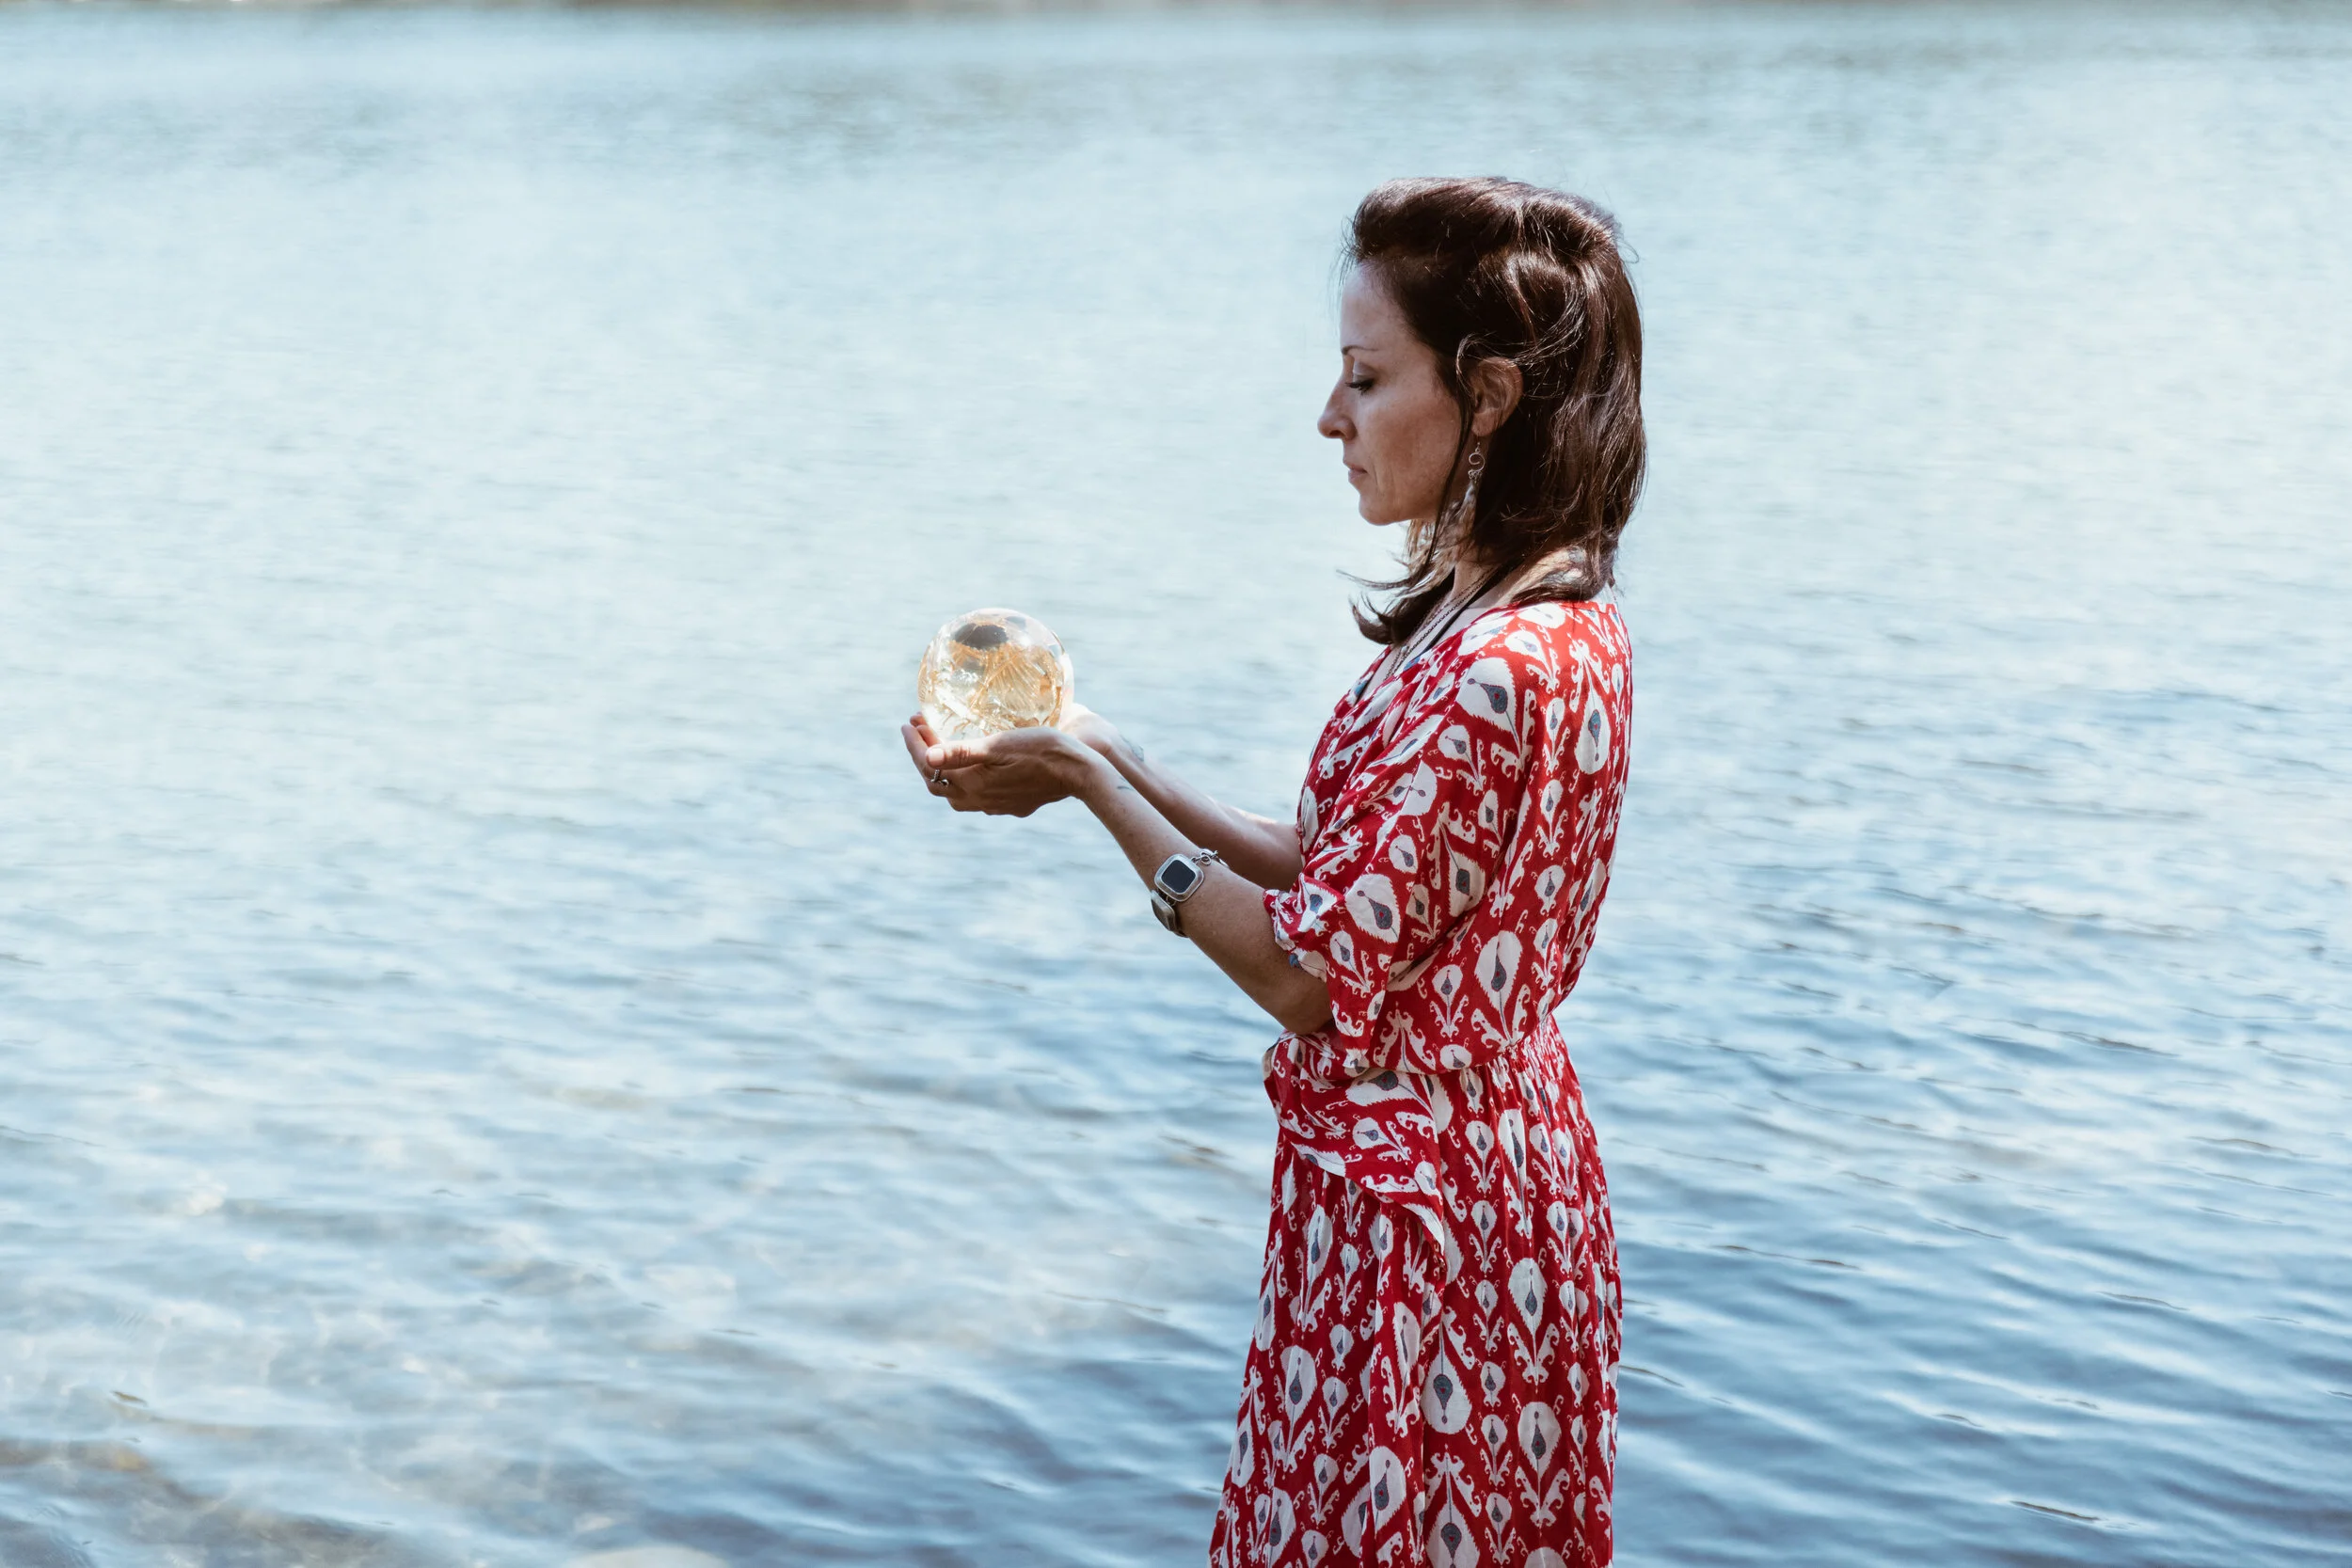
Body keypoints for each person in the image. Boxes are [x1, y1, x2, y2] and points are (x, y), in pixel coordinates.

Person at [900, 175, 1644, 1568]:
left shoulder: (1500, 667)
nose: (1329, 417)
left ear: (1488, 395)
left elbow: (1312, 974)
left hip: (1431, 1223)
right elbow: (1341, 870)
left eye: (1365, 378)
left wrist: (1088, 791)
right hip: (1443, 1180)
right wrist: (1117, 752)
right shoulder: (1511, 614)